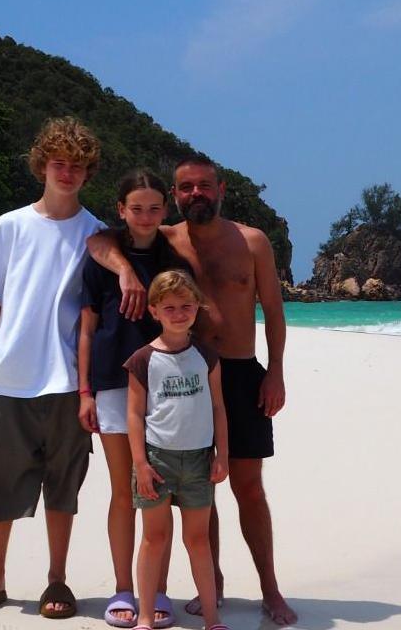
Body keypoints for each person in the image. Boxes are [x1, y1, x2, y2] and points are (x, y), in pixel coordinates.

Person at [87, 154, 297, 625]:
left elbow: (275, 311)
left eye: (204, 185)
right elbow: (99, 240)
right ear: (175, 196)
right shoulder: (165, 237)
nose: (195, 194)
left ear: (220, 188)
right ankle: (213, 584)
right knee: (203, 488)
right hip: (187, 374)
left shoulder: (252, 241)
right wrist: (123, 268)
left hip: (241, 373)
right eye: (186, 188)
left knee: (248, 487)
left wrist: (276, 371)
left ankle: (270, 589)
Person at [0, 117, 106, 618]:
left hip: (66, 380)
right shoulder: (9, 226)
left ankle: (57, 578)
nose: (67, 172)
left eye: (78, 166)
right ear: (42, 165)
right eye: (59, 163)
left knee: (64, 481)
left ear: (88, 173)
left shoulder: (97, 235)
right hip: (5, 378)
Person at [78, 170, 194, 628]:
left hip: (165, 386)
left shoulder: (174, 258)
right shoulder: (103, 259)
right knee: (123, 489)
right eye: (136, 208)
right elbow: (86, 328)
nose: (145, 217)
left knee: (158, 488)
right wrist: (84, 390)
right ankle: (123, 587)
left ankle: (158, 589)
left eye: (154, 208)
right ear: (120, 210)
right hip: (110, 382)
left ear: (165, 211)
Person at [126, 270, 230, 630]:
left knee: (197, 539)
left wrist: (223, 455)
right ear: (154, 310)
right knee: (154, 538)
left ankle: (212, 619)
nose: (178, 313)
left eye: (186, 306)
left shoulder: (206, 355)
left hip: (200, 459)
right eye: (169, 307)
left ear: (197, 307)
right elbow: (135, 414)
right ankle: (144, 616)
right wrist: (140, 463)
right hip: (157, 459)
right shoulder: (143, 359)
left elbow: (218, 406)